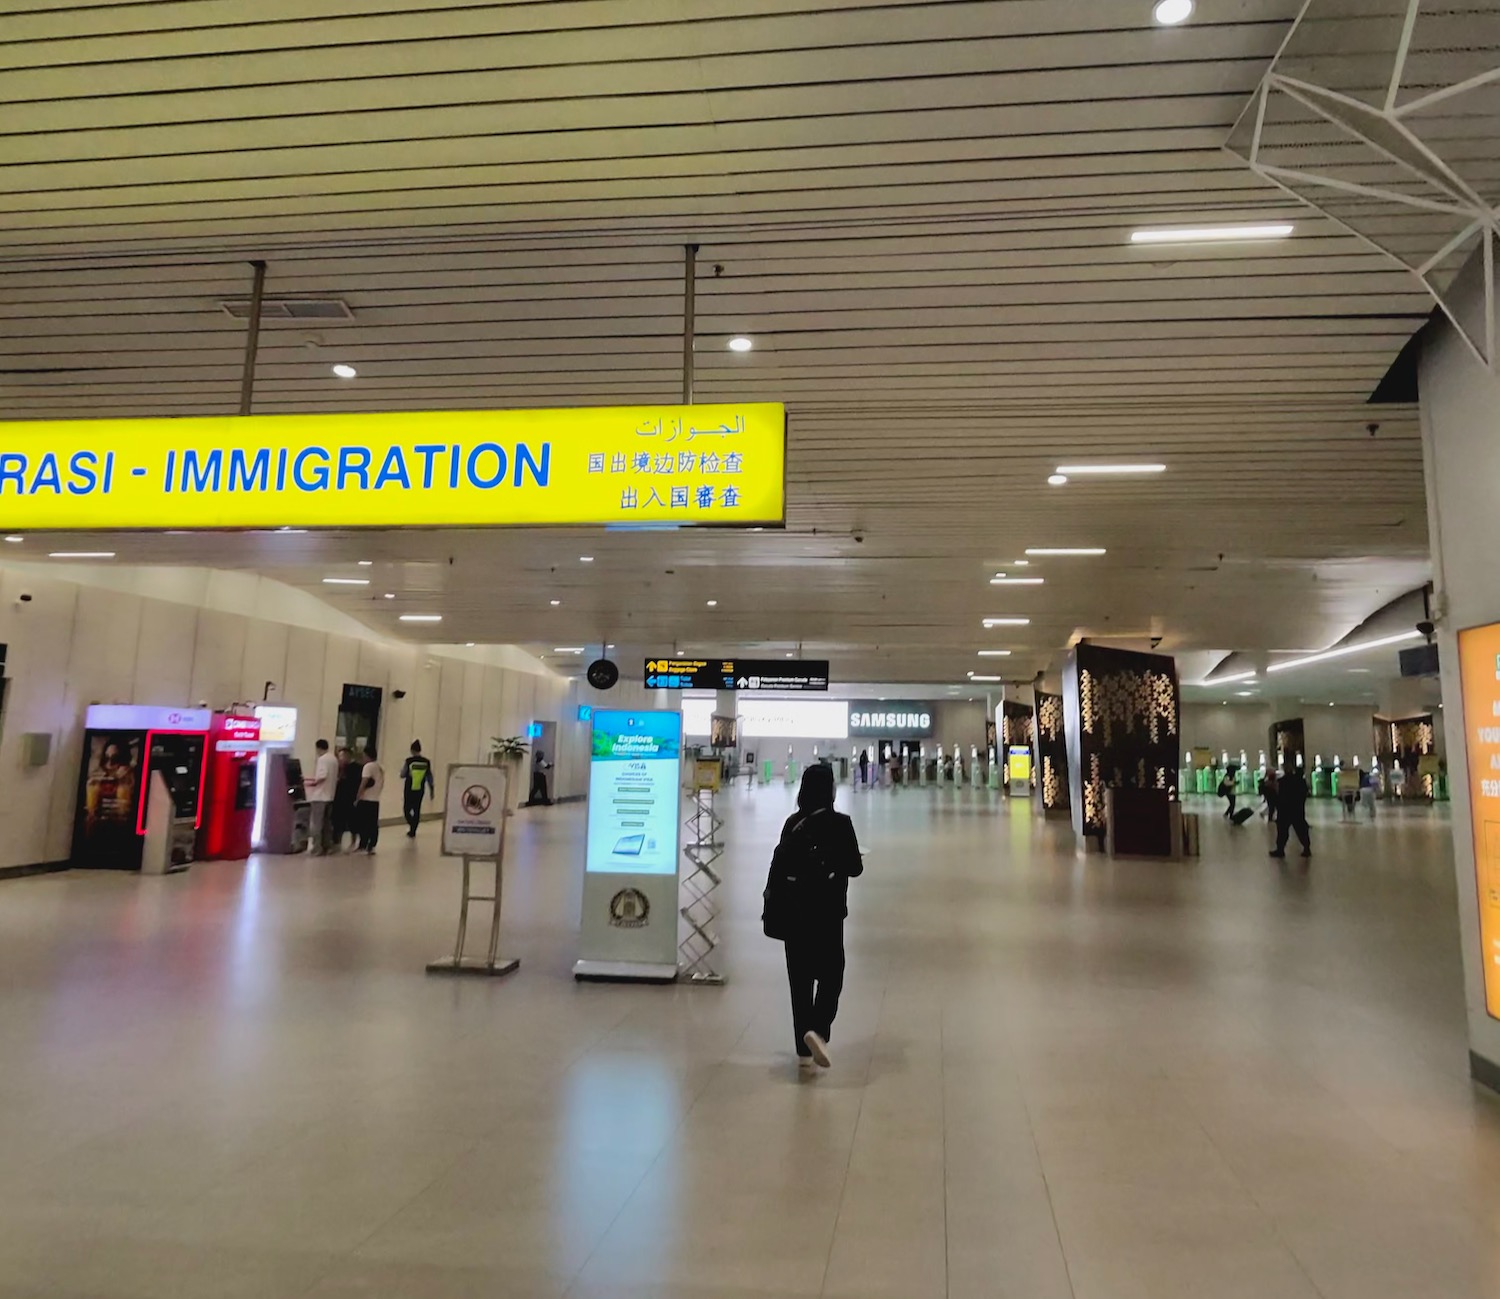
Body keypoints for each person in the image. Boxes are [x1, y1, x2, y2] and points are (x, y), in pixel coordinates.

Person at [772, 763, 864, 1070]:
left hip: (793, 912)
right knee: (831, 973)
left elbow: (781, 864)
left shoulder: (792, 823)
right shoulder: (840, 824)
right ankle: (819, 1030)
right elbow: (855, 867)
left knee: (799, 981)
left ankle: (803, 1051)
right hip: (828, 912)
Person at [1270, 764, 1311, 859]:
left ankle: (1280, 850)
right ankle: (1306, 848)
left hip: (1285, 810)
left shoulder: (1284, 781)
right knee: (1301, 830)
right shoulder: (1302, 782)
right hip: (1298, 810)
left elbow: (1279, 794)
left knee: (1283, 831)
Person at [305, 738, 338, 855]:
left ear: (318, 748)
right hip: (330, 795)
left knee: (316, 824)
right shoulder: (334, 759)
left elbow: (322, 776)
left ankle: (317, 848)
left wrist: (311, 783)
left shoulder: (322, 759)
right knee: (327, 824)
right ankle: (328, 847)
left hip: (320, 796)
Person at [400, 740, 435, 837]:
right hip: (420, 789)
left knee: (406, 809)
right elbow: (429, 777)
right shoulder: (426, 762)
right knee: (417, 809)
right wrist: (432, 790)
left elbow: (402, 774)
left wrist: (404, 774)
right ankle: (413, 829)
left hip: (409, 788)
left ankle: (412, 824)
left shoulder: (409, 761)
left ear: (412, 750)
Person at [356, 743, 384, 854]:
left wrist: (358, 796)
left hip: (366, 798)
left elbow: (364, 782)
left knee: (363, 823)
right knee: (373, 823)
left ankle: (363, 844)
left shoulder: (368, 767)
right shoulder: (379, 767)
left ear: (367, 755)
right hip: (375, 799)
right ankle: (371, 845)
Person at [332, 747, 361, 850]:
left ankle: (354, 841)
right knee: (338, 820)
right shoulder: (338, 768)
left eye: (343, 756)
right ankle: (337, 841)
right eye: (340, 756)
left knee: (352, 820)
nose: (341, 758)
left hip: (350, 797)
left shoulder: (355, 768)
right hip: (339, 798)